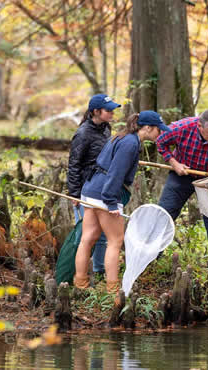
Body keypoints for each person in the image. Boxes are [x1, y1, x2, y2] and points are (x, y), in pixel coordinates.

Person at [74, 110, 171, 292]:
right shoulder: (130, 144)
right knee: (115, 241)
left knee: (87, 239)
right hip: (105, 193)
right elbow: (115, 173)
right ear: (148, 128)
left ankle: (80, 284)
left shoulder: (122, 136)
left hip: (90, 189)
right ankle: (112, 289)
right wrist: (111, 202)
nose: (161, 133)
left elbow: (107, 162)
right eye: (159, 130)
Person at [156, 109, 208, 272]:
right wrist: (173, 162)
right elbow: (160, 141)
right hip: (182, 172)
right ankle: (149, 259)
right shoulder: (181, 128)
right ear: (199, 126)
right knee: (164, 214)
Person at [67, 94, 120, 277]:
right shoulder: (83, 134)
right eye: (108, 110)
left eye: (113, 110)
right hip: (84, 190)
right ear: (96, 112)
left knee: (103, 234)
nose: (112, 113)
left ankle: (99, 270)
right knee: (85, 235)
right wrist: (74, 194)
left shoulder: (106, 128)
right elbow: (74, 165)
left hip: (101, 188)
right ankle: (74, 273)